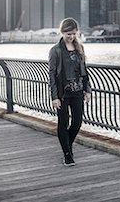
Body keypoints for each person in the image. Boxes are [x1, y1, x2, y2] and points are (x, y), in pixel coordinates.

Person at [48, 18, 91, 166]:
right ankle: (67, 154)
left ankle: (67, 146)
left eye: (73, 34)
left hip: (78, 91)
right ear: (62, 32)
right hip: (63, 93)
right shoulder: (56, 50)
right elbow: (52, 75)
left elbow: (84, 71)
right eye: (68, 33)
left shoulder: (80, 48)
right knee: (63, 122)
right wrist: (55, 97)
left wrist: (87, 90)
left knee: (77, 122)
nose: (71, 37)